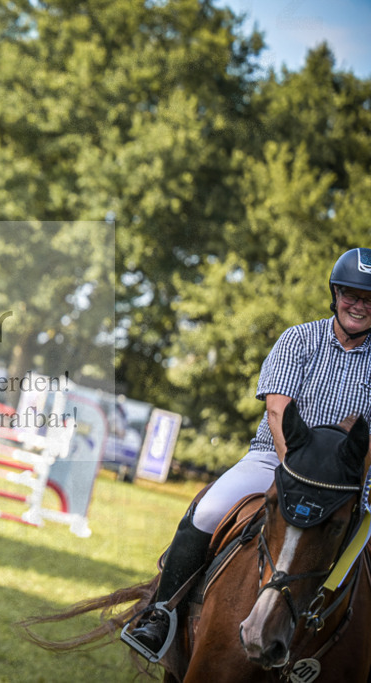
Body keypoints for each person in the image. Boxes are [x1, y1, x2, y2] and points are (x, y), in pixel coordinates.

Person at [124, 247, 371, 658]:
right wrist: (293, 470)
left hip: (348, 483)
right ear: (335, 294)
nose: (358, 306)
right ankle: (161, 614)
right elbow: (278, 410)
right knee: (207, 510)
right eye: (351, 295)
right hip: (278, 460)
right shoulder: (299, 339)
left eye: (369, 300)